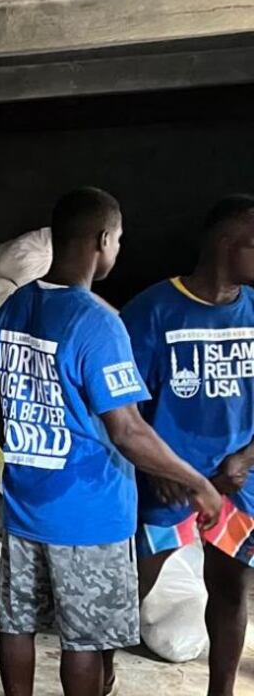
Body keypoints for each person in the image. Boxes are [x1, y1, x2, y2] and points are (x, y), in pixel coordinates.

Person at [0, 187, 222, 696]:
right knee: (85, 643)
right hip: (88, 514)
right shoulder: (97, 321)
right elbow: (129, 430)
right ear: (103, 239)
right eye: (117, 239)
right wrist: (196, 481)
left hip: (25, 504)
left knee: (17, 626)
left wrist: (28, 455)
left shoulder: (14, 307)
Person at [117, 194, 254, 696]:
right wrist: (158, 470)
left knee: (231, 586)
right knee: (130, 587)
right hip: (166, 484)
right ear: (225, 243)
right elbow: (122, 410)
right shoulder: (153, 311)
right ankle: (101, 676)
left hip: (239, 481)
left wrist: (245, 458)